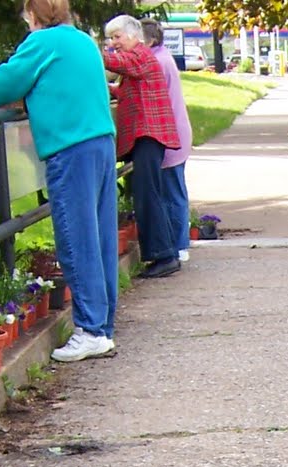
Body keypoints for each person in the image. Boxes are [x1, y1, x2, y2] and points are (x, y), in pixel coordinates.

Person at [0, 0, 118, 363]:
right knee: (100, 236)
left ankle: (90, 330)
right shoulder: (82, 40)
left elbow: (3, 87)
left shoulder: (42, 42)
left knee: (76, 239)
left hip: (70, 146)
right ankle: (102, 327)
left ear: (34, 14)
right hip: (101, 142)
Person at [102, 15, 182, 278]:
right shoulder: (142, 57)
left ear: (133, 35)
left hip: (148, 134)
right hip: (147, 135)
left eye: (117, 37)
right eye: (110, 38)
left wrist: (93, 54)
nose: (114, 43)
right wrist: (112, 90)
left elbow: (120, 63)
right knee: (148, 194)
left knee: (148, 195)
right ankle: (164, 252)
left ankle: (164, 255)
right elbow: (132, 89)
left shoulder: (140, 55)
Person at [141, 19, 193, 263]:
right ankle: (178, 242)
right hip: (175, 132)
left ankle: (178, 245)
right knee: (173, 190)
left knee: (172, 192)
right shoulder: (162, 57)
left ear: (149, 40)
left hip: (170, 135)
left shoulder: (157, 62)